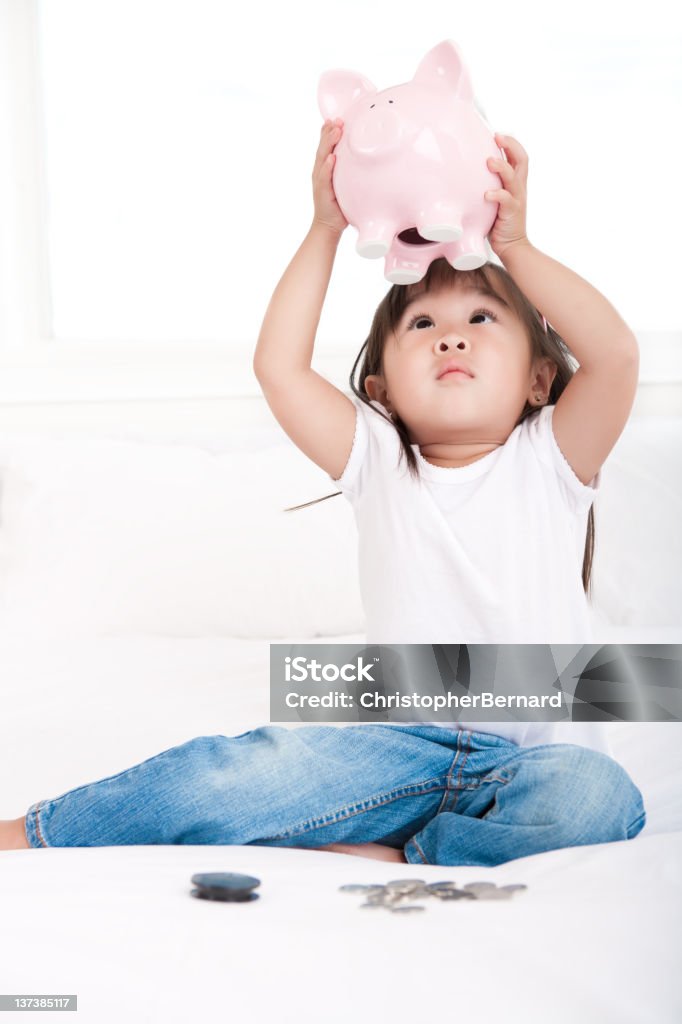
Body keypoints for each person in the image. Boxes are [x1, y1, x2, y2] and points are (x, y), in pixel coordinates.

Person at [0, 119, 646, 864]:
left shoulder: (553, 459)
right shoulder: (377, 458)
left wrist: (515, 247)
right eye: (423, 323)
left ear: (539, 380)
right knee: (236, 771)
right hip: (394, 748)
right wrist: (325, 228)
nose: (452, 337)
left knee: (598, 797)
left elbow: (616, 355)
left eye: (481, 319)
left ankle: (406, 853)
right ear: (381, 390)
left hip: (532, 760)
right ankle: (29, 834)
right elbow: (279, 367)